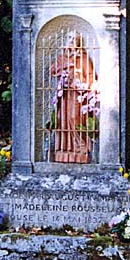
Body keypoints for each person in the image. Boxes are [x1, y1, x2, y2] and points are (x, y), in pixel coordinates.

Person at [49, 33, 99, 163]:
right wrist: (66, 68)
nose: (70, 41)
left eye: (73, 39)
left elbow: (91, 76)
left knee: (74, 118)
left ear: (78, 42)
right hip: (65, 96)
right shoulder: (63, 57)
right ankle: (63, 149)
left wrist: (79, 79)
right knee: (62, 120)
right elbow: (53, 70)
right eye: (69, 38)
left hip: (77, 97)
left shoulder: (83, 58)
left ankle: (80, 148)